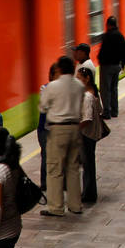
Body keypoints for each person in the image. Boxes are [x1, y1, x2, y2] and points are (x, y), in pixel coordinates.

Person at [39, 55, 86, 217]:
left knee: (55, 169)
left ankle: (56, 207)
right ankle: (75, 205)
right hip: (75, 128)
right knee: (73, 169)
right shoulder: (80, 86)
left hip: (58, 130)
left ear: (59, 69)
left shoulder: (53, 86)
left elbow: (43, 107)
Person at [76, 66, 105, 205]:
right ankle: (90, 192)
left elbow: (87, 118)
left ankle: (88, 193)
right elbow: (100, 110)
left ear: (87, 79)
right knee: (89, 164)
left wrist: (76, 129)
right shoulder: (94, 92)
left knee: (87, 165)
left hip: (86, 135)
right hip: (93, 134)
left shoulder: (86, 96)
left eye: (79, 78)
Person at [97, 16, 125, 119]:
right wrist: (123, 65)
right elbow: (124, 51)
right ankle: (115, 111)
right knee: (114, 89)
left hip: (107, 66)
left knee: (105, 89)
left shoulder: (107, 36)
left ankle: (107, 112)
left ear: (108, 25)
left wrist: (99, 59)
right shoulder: (120, 36)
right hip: (116, 66)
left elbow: (103, 51)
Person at [37, 63, 60, 188]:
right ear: (51, 75)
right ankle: (45, 183)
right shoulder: (44, 89)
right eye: (58, 74)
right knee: (46, 156)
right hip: (45, 130)